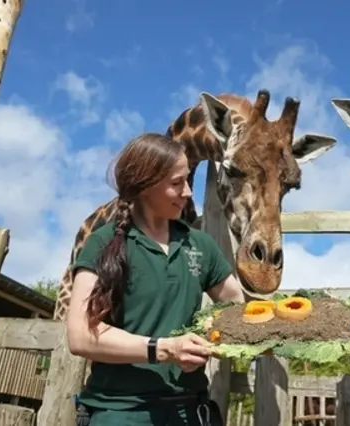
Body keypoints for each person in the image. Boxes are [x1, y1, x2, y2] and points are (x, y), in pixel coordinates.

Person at [66, 132, 248, 426]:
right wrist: (164, 349)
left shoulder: (199, 245)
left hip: (192, 412)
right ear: (145, 185)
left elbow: (237, 308)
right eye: (177, 183)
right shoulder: (103, 243)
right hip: (121, 413)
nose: (188, 192)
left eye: (188, 180)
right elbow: (81, 335)